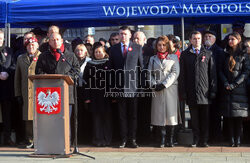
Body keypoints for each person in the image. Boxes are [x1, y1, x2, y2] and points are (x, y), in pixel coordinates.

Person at [35, 32, 80, 134]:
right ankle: (51, 145)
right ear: (49, 42)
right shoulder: (43, 56)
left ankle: (65, 146)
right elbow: (38, 71)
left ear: (62, 41)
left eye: (57, 39)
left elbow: (76, 71)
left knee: (65, 122)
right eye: (53, 40)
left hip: (66, 94)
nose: (55, 42)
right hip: (49, 95)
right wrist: (49, 77)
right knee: (51, 123)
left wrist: (66, 77)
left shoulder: (71, 56)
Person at [179, 31, 217, 147]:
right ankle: (196, 139)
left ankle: (204, 140)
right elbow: (182, 75)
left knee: (205, 118)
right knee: (194, 118)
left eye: (199, 38)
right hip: (191, 92)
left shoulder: (208, 53)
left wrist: (213, 90)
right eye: (194, 39)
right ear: (190, 40)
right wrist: (183, 92)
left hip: (205, 92)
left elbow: (212, 73)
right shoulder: (185, 54)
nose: (197, 41)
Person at [109, 26, 143, 148]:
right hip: (119, 87)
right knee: (121, 115)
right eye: (121, 34)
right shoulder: (113, 49)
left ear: (130, 35)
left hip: (133, 87)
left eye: (125, 34)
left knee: (133, 115)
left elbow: (141, 69)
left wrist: (141, 87)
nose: (122, 36)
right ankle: (123, 139)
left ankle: (132, 139)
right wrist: (112, 87)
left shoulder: (137, 48)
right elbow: (111, 70)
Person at [148, 35, 180, 148]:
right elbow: (149, 73)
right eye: (159, 45)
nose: (161, 47)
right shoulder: (152, 59)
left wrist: (164, 84)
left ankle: (170, 139)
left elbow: (175, 72)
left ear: (167, 46)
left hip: (170, 89)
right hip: (156, 89)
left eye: (163, 45)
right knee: (158, 114)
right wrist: (153, 84)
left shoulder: (173, 58)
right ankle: (161, 138)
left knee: (171, 115)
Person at [219, 32, 249, 147]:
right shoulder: (225, 54)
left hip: (239, 90)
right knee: (229, 116)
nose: (230, 41)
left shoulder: (243, 55)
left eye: (233, 39)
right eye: (229, 39)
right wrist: (226, 83)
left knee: (238, 117)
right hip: (227, 89)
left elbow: (245, 72)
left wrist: (235, 84)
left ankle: (238, 139)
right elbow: (220, 70)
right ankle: (231, 139)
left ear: (238, 40)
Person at [83, 43, 112, 147]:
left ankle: (107, 139)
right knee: (96, 119)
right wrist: (87, 97)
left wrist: (113, 95)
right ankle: (97, 139)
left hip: (107, 96)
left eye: (100, 52)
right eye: (96, 52)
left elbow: (112, 80)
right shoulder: (90, 64)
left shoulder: (109, 63)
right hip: (94, 96)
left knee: (107, 119)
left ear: (104, 53)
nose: (98, 54)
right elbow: (85, 81)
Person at [15, 37, 41, 148]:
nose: (31, 47)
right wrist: (18, 94)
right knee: (28, 118)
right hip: (26, 93)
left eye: (33, 45)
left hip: (39, 92)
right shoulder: (21, 58)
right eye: (29, 45)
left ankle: (40, 139)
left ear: (37, 46)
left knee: (40, 117)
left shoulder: (42, 57)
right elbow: (17, 78)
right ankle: (30, 139)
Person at [203, 30, 224, 143]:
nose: (207, 38)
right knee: (206, 114)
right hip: (204, 86)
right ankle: (207, 135)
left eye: (210, 36)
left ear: (215, 39)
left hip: (216, 86)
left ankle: (216, 136)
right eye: (205, 36)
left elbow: (220, 69)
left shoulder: (219, 51)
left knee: (215, 113)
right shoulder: (202, 50)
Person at [0, 30, 15, 146]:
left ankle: (7, 138)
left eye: (0, 38)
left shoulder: (9, 51)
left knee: (7, 115)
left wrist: (8, 73)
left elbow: (14, 65)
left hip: (6, 88)